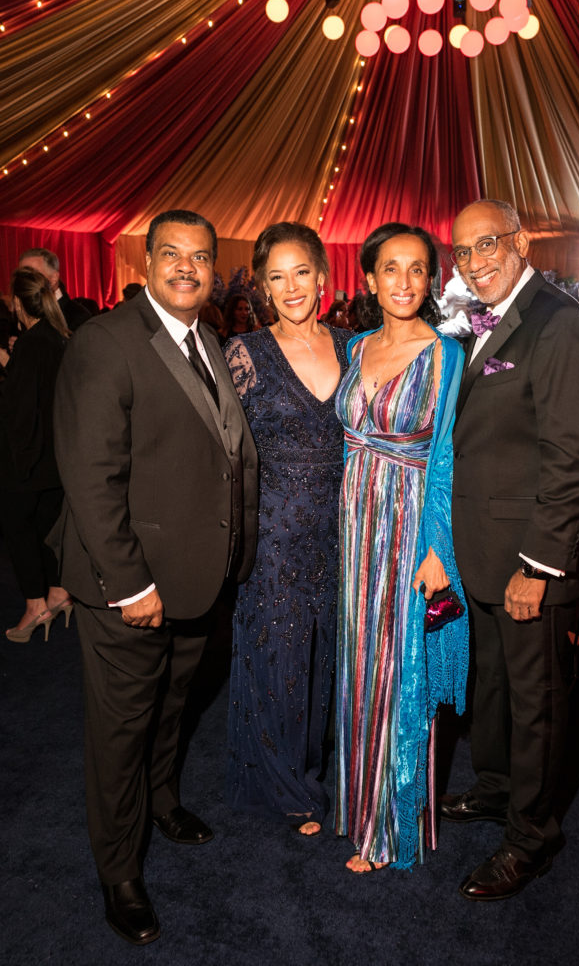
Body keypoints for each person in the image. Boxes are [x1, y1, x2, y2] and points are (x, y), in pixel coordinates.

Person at [50, 210, 258, 946]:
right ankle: (119, 870)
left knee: (172, 706)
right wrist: (130, 584)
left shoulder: (209, 339)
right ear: (146, 264)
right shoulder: (106, 342)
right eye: (172, 254)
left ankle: (163, 800)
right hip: (129, 586)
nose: (187, 268)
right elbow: (91, 478)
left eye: (200, 257)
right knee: (121, 728)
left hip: (198, 578)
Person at [441, 199, 579, 900]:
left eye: (489, 244)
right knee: (494, 684)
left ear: (521, 242)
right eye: (463, 251)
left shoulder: (558, 322)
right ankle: (496, 787)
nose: (475, 261)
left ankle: (532, 838)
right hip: (484, 549)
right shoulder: (483, 319)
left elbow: (572, 456)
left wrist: (537, 566)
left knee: (536, 701)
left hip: (529, 557)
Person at [334, 222, 469, 873]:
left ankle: (388, 828)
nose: (405, 281)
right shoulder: (356, 346)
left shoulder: (445, 354)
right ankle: (355, 805)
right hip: (353, 527)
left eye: (418, 269)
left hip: (408, 526)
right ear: (369, 278)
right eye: (391, 268)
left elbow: (445, 457)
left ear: (431, 279)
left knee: (397, 668)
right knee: (357, 665)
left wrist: (437, 548)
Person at [224, 222, 350, 835]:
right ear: (263, 288)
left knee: (326, 655)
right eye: (277, 277)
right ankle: (283, 784)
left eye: (302, 272)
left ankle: (315, 765)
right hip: (274, 531)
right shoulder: (244, 353)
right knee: (277, 651)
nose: (292, 286)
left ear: (322, 277)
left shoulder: (357, 347)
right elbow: (221, 451)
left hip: (342, 530)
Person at [1, 267, 71, 641]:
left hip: (27, 460)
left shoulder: (32, 343)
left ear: (17, 303)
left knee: (19, 530)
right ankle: (59, 594)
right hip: (55, 458)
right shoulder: (57, 336)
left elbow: (20, 408)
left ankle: (35, 605)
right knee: (47, 529)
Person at [19, 248, 91, 332]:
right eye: (21, 276)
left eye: (33, 275)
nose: (25, 281)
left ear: (53, 278)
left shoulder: (78, 316)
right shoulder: (19, 313)